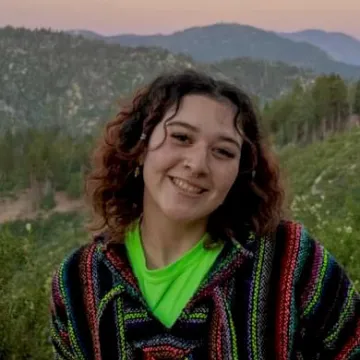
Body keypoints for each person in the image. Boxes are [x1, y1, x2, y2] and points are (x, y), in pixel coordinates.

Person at [50, 69, 360, 359]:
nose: (198, 164)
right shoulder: (79, 282)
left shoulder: (288, 260)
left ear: (240, 173)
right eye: (182, 137)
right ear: (141, 147)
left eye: (223, 151)